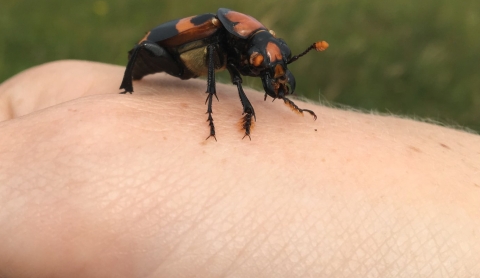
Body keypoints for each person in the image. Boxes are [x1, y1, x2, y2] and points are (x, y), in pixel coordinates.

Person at [0, 60, 479, 277]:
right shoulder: (220, 42)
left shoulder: (252, 49)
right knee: (171, 64)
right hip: (166, 50)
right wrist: (219, 112)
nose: (276, 75)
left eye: (279, 72)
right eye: (269, 68)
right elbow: (217, 70)